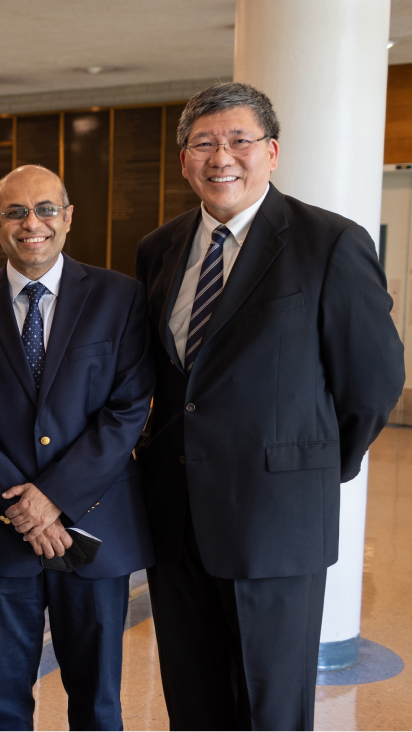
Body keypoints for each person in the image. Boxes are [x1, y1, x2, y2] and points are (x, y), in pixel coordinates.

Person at [134, 82, 404, 731]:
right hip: (177, 520)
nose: (221, 156)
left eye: (239, 140)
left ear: (272, 152)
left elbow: (373, 383)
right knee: (193, 702)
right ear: (184, 160)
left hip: (276, 523)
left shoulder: (328, 243)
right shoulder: (159, 250)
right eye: (204, 143)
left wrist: (307, 466)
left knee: (270, 709)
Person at [0, 165, 155, 730]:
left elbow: (127, 409)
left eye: (45, 209)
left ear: (68, 217)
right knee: (2, 701)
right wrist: (22, 510)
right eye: (15, 212)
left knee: (98, 703)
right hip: (0, 533)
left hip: (95, 531)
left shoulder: (120, 297)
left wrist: (53, 499)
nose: (31, 223)